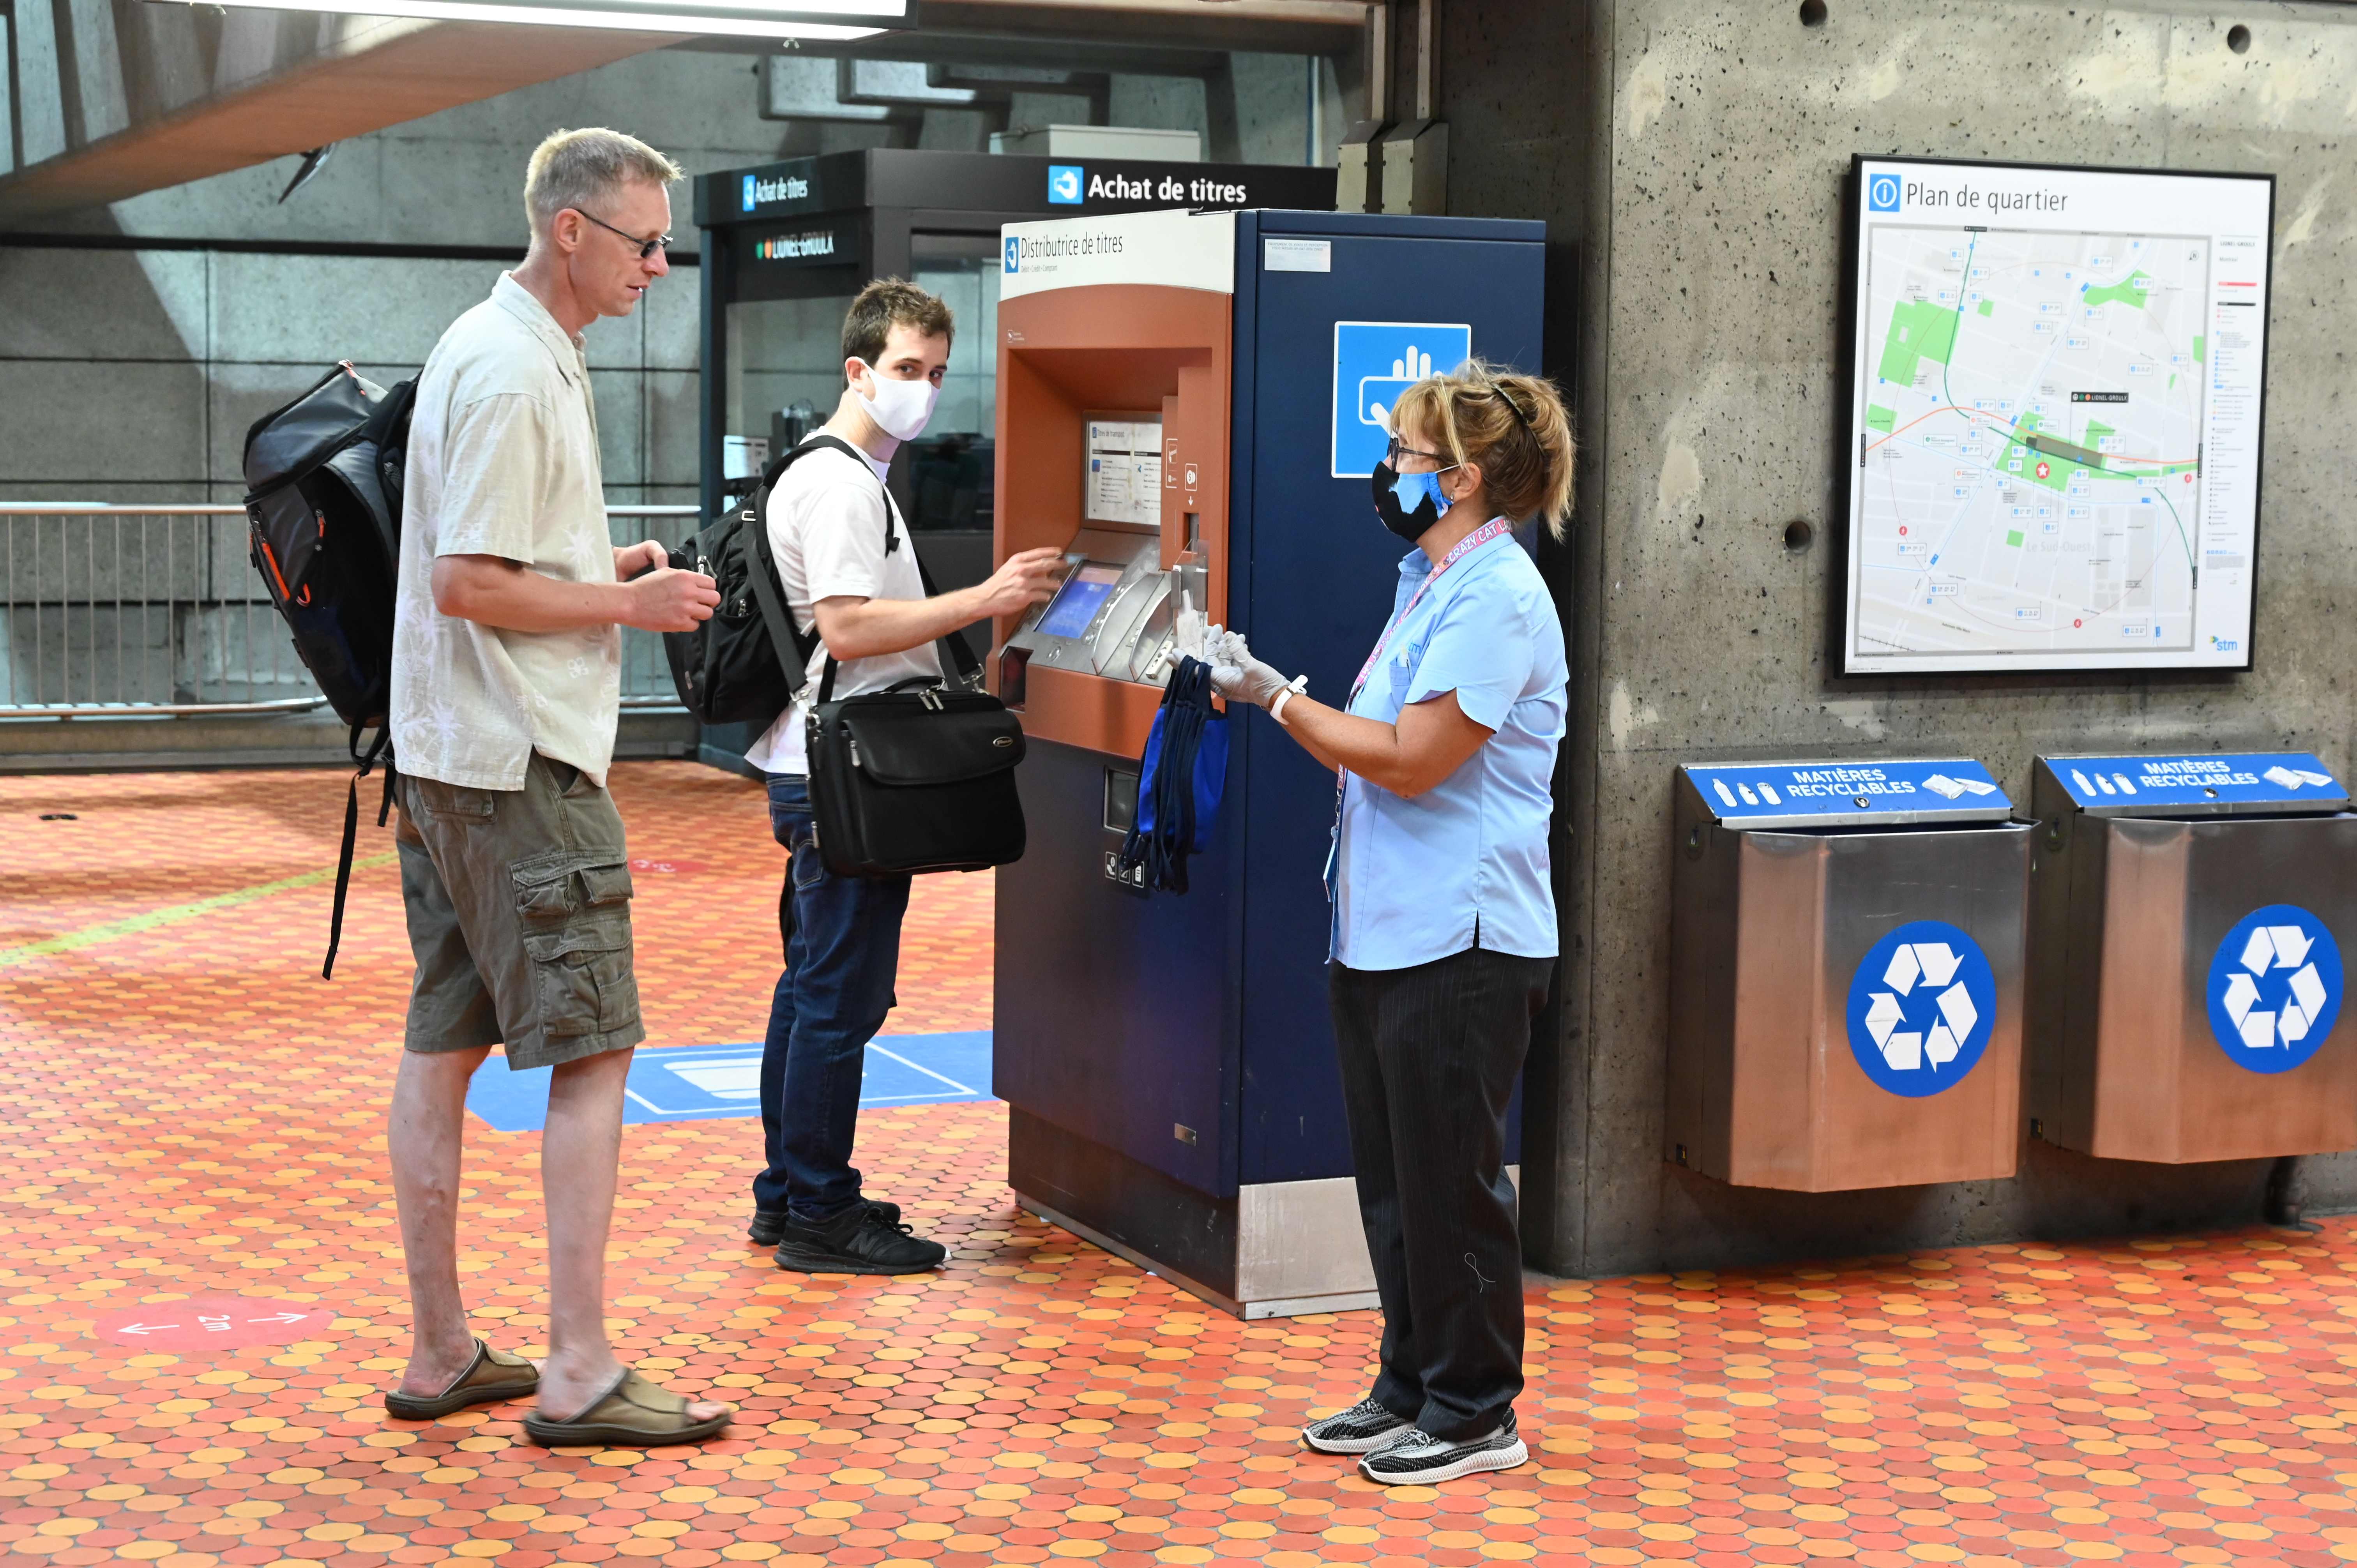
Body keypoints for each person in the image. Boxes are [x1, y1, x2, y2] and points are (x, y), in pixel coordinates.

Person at [384, 127, 734, 1447]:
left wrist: (601, 558)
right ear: (572, 229)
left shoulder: (501, 346)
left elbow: (497, 555)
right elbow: (467, 581)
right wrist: (627, 603)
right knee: (595, 1051)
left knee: (442, 1044)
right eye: (646, 240)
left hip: (449, 756)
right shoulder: (518, 372)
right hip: (522, 760)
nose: (661, 263)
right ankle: (579, 1367)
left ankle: (439, 1348)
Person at [1208, 359, 1574, 1485]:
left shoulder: (1502, 596)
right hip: (1383, 932)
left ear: (1463, 477)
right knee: (1396, 1179)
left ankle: (1475, 1410)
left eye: (1409, 457)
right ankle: (1412, 1379)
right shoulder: (1429, 581)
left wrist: (1276, 697)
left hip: (1464, 941)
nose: (1391, 473)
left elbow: (1416, 762)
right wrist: (1276, 692)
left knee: (1453, 1183)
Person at [744, 279, 1065, 1274]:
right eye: (904, 371)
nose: (922, 391)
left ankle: (793, 1189)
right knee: (841, 996)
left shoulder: (843, 473)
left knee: (813, 989)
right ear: (859, 371)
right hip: (845, 776)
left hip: (819, 765)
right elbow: (846, 626)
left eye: (935, 373)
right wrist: (989, 594)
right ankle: (821, 1215)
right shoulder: (841, 483)